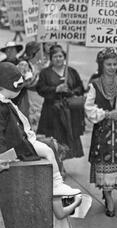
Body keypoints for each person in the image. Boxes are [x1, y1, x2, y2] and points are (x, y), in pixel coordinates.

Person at [0, 62, 80, 197]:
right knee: (48, 151)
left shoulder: (5, 101)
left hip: (19, 142)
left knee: (49, 149)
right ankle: (57, 184)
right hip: (15, 147)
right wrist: (2, 156)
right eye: (17, 87)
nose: (20, 90)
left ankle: (57, 184)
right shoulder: (2, 105)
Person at [85, 48, 117, 216]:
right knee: (104, 165)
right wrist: (106, 114)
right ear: (101, 65)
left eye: (115, 64)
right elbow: (89, 108)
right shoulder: (95, 84)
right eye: (108, 64)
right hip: (103, 132)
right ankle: (108, 198)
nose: (112, 67)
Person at [36, 44, 85, 160]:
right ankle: (58, 163)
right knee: (55, 138)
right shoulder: (45, 73)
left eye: (61, 56)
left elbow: (81, 88)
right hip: (52, 111)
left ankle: (63, 161)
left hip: (69, 111)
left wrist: (71, 90)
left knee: (68, 137)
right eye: (55, 57)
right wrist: (55, 89)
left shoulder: (71, 71)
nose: (58, 59)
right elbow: (40, 89)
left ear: (64, 57)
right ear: (51, 59)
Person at [15, 41, 45, 132]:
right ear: (35, 52)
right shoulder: (24, 64)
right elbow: (17, 83)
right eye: (41, 50)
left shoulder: (37, 65)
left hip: (36, 98)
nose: (42, 53)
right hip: (25, 97)